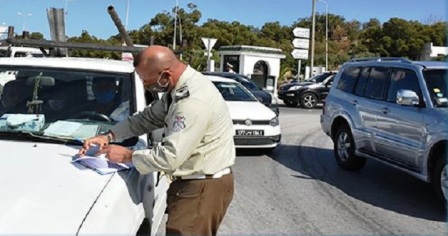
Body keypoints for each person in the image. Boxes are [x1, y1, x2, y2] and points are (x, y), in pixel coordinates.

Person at [78, 45, 236, 235]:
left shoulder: (193, 102)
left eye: (147, 81)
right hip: (192, 183)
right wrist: (109, 135)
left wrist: (127, 155)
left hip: (201, 186)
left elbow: (170, 156)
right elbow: (148, 118)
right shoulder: (178, 89)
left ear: (165, 75)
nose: (145, 86)